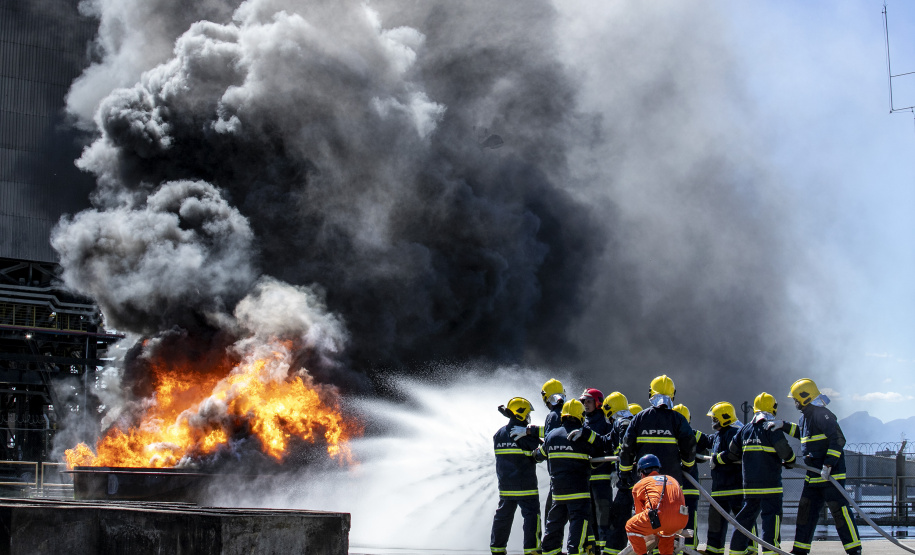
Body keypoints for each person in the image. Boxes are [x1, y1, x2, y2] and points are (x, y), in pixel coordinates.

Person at [769, 378, 862, 555]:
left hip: (830, 475)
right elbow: (802, 434)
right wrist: (783, 425)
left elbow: (838, 439)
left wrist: (828, 464)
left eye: (796, 399)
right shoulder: (805, 417)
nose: (795, 402)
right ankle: (800, 550)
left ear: (805, 397)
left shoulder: (823, 415)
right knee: (806, 511)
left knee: (840, 512)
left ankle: (854, 550)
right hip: (813, 476)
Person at [721, 392, 796, 555]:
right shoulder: (772, 428)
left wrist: (718, 459)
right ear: (773, 408)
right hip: (771, 486)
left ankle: (736, 551)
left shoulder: (744, 430)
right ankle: (770, 552)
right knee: (771, 519)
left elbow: (732, 451)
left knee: (744, 520)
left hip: (750, 486)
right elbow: (786, 453)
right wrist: (791, 461)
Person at [535, 399, 607, 555]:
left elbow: (539, 455)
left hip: (558, 492)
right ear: (581, 416)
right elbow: (599, 454)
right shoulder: (581, 436)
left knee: (554, 523)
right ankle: (575, 551)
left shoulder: (552, 435)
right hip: (579, 491)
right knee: (578, 524)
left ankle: (549, 551)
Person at [619, 375, 696, 490]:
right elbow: (689, 445)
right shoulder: (678, 419)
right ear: (673, 394)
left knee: (645, 502)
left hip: (645, 482)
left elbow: (627, 448)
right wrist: (687, 467)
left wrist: (625, 473)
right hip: (671, 481)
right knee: (671, 502)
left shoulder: (639, 418)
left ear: (651, 393)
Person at [491, 397, 543, 555]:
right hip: (526, 486)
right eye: (527, 414)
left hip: (505, 486)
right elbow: (542, 452)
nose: (528, 417)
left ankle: (497, 549)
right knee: (532, 517)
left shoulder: (499, 434)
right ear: (521, 414)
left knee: (503, 517)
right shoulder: (525, 435)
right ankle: (532, 550)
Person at [625, 454, 690, 555]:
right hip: (681, 520)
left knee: (630, 527)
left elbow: (639, 512)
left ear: (642, 473)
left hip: (660, 518)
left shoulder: (640, 484)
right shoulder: (672, 479)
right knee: (666, 534)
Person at [702, 401, 744, 555]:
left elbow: (735, 454)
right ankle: (714, 551)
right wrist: (687, 431)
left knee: (743, 522)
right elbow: (707, 440)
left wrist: (717, 459)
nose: (713, 422)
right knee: (715, 522)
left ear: (724, 418)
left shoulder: (733, 433)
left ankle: (749, 550)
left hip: (735, 487)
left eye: (715, 419)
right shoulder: (719, 435)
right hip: (720, 488)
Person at [601, 392, 635, 555]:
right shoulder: (628, 422)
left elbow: (624, 449)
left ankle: (612, 552)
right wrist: (586, 435)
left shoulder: (622, 422)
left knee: (618, 518)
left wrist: (621, 471)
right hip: (632, 480)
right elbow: (606, 441)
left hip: (629, 481)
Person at [581, 388, 612, 553]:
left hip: (602, 478)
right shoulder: (581, 424)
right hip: (585, 478)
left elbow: (611, 447)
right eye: (584, 402)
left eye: (589, 401)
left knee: (603, 515)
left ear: (598, 403)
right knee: (588, 516)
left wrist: (614, 470)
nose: (585, 404)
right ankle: (591, 548)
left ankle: (604, 549)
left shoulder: (606, 426)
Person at [672, 404, 701, 550]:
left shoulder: (668, 435)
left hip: (677, 488)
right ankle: (689, 549)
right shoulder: (692, 434)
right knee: (689, 521)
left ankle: (676, 548)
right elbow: (704, 447)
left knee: (673, 520)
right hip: (688, 487)